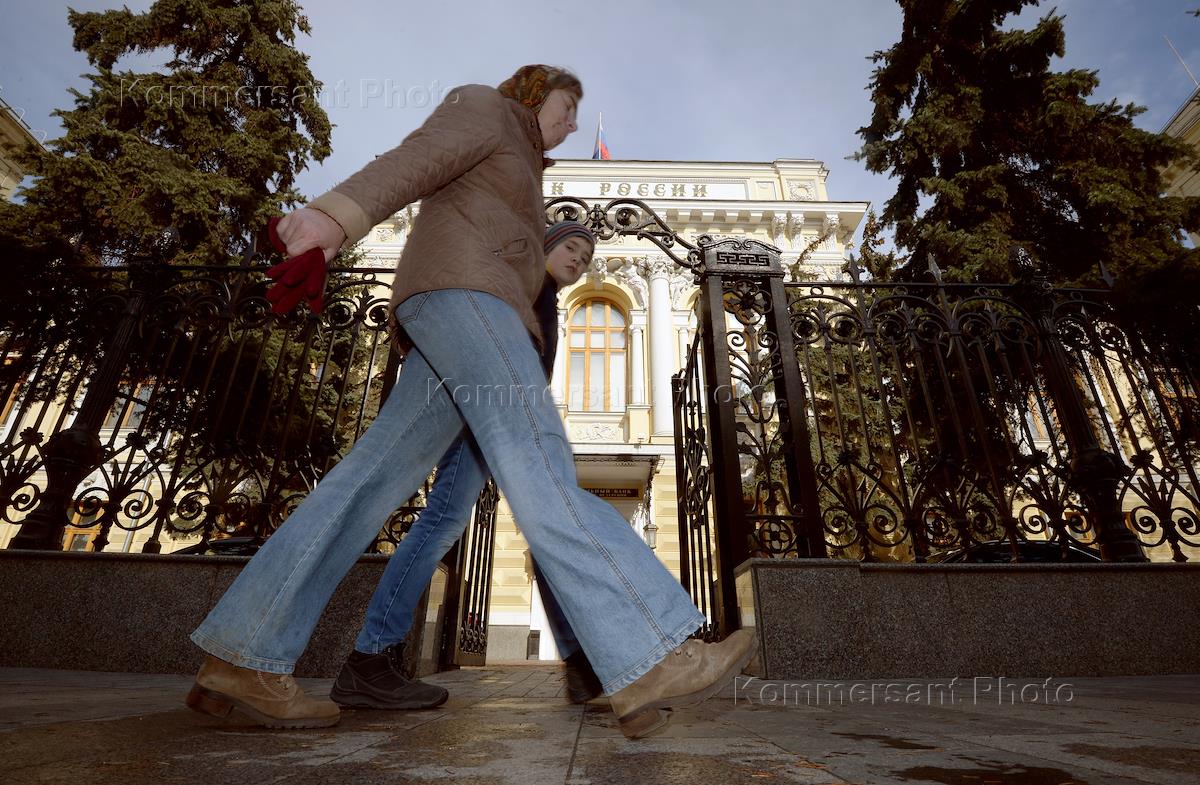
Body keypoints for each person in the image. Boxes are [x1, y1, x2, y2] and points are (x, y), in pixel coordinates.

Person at [184, 64, 754, 740]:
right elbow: (413, 161)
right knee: (539, 465)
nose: (573, 123)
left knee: (366, 484)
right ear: (535, 92)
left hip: (455, 313)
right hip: (468, 301)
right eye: (567, 106)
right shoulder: (488, 109)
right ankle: (651, 653)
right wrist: (330, 220)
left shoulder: (523, 159)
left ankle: (242, 654)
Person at [329, 221, 603, 711]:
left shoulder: (543, 298)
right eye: (571, 247)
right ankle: (585, 661)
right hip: (490, 417)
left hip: (497, 419)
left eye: (586, 257)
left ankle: (371, 657)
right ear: (544, 246)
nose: (579, 260)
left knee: (457, 523)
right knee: (529, 526)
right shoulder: (523, 286)